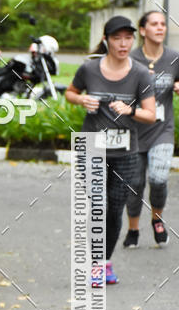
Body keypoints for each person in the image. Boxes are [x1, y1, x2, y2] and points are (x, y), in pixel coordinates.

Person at [65, 15, 155, 285]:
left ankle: (104, 261)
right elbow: (70, 92)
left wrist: (131, 110)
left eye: (128, 38)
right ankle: (95, 265)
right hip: (92, 147)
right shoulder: (89, 69)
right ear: (106, 40)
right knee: (98, 206)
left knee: (115, 209)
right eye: (117, 38)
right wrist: (82, 100)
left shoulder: (140, 73)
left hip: (126, 152)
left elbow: (150, 115)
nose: (123, 43)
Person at [123, 10, 179, 248]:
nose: (160, 28)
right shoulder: (131, 59)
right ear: (143, 30)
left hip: (162, 130)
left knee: (158, 178)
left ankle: (157, 219)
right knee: (135, 183)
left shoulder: (174, 57)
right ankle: (133, 229)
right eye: (154, 24)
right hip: (134, 131)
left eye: (163, 24)